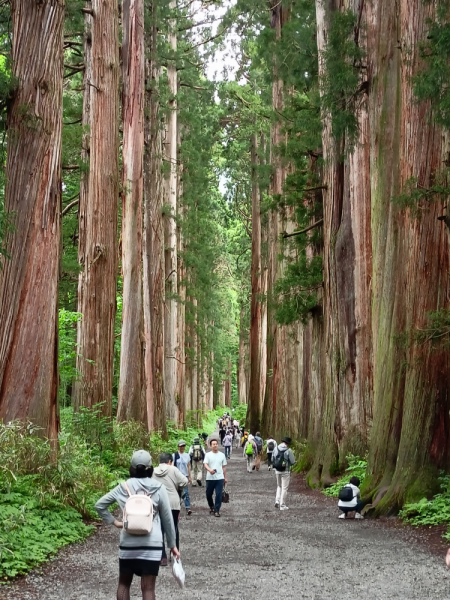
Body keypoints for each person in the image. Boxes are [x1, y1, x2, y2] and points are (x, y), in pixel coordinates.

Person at [95, 450, 180, 600]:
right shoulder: (159, 488)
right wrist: (172, 545)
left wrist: (116, 523)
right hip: (152, 545)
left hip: (128, 544)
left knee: (124, 584)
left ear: (132, 468)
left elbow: (100, 505)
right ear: (150, 467)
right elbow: (167, 519)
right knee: (148, 589)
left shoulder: (123, 487)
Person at [152, 452, 188, 566]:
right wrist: (177, 487)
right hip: (173, 503)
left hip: (158, 503)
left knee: (159, 530)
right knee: (173, 529)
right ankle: (174, 555)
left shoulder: (153, 471)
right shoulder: (173, 469)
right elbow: (184, 481)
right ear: (169, 461)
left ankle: (162, 557)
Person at [203, 439, 228, 517]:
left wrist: (225, 477)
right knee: (208, 494)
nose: (215, 445)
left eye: (216, 444)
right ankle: (212, 506)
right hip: (210, 478)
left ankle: (217, 510)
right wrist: (210, 470)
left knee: (218, 494)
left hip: (219, 478)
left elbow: (223, 467)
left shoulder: (222, 455)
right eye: (213, 444)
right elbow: (205, 464)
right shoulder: (208, 455)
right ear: (210, 446)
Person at [272, 436, 295, 510]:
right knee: (284, 488)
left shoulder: (276, 448)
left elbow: (272, 458)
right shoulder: (288, 450)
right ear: (287, 443)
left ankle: (277, 501)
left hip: (277, 470)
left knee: (279, 486)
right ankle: (282, 505)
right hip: (285, 471)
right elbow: (292, 461)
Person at [173, 440, 192, 515]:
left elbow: (188, 466)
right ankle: (177, 507)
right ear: (178, 446)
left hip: (184, 476)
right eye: (181, 446)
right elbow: (172, 465)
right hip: (176, 476)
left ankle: (188, 508)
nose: (182, 447)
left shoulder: (187, 455)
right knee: (177, 492)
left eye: (183, 446)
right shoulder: (174, 455)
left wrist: (189, 476)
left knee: (186, 492)